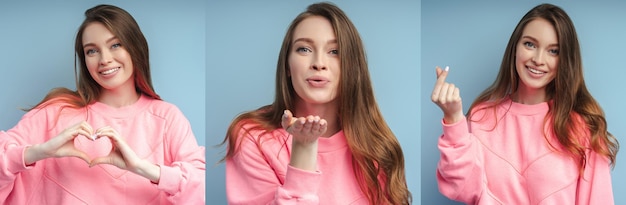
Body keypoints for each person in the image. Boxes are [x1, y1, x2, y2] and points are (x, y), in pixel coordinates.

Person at [0, 4, 205, 204]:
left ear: (135, 47)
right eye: (92, 51)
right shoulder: (55, 112)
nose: (104, 59)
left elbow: (200, 189)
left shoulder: (167, 118)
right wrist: (38, 152)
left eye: (116, 45)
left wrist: (143, 168)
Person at [221, 2, 411, 205]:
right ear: (287, 65)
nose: (319, 63)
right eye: (304, 49)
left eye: (334, 51)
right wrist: (303, 148)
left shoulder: (375, 145)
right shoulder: (252, 136)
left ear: (352, 67)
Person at [431, 3, 619, 204]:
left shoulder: (582, 126)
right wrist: (453, 119)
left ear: (565, 59)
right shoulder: (482, 116)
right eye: (530, 44)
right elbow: (462, 188)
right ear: (515, 48)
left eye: (553, 51)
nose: (538, 59)